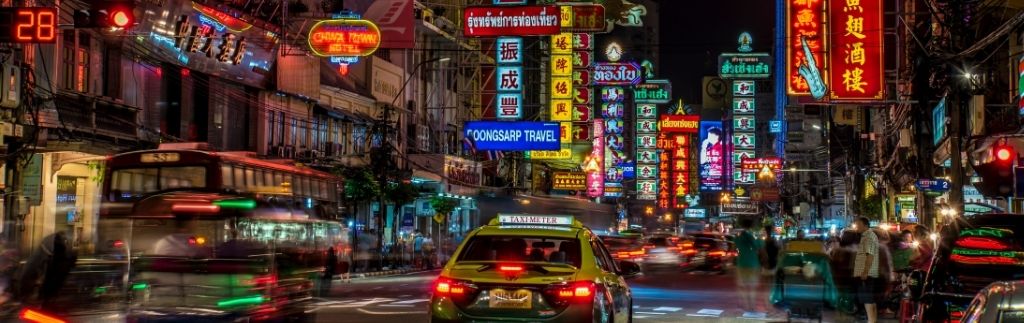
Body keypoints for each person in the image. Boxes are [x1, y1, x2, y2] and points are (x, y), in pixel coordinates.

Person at [733, 218, 764, 318]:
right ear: (751, 226)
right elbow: (758, 246)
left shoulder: (738, 237)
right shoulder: (751, 236)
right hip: (752, 263)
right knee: (752, 287)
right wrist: (759, 238)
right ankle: (752, 306)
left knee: (743, 286)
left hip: (741, 263)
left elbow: (735, 246)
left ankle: (746, 305)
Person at [853, 217, 881, 323]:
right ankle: (873, 320)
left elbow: (870, 255)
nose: (856, 227)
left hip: (866, 273)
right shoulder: (868, 236)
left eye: (858, 224)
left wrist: (865, 271)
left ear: (865, 225)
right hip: (869, 272)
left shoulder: (868, 237)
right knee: (870, 299)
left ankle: (871, 321)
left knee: (867, 299)